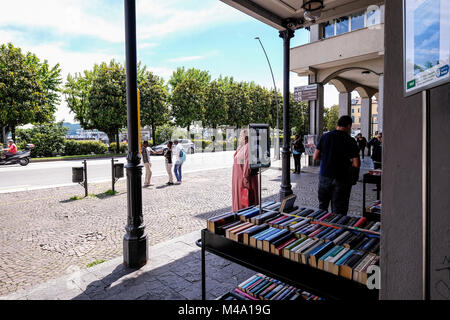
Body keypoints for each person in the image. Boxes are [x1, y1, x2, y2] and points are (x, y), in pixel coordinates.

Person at [313, 115, 361, 215]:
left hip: (324, 176)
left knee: (322, 207)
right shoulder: (350, 140)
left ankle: (321, 228)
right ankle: (337, 229)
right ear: (348, 126)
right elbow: (356, 164)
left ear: (337, 125)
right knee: (339, 211)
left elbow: (316, 156)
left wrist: (328, 159)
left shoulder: (325, 136)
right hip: (342, 178)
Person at [232, 129, 259, 212]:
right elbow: (235, 156)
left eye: (241, 135)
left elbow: (248, 166)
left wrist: (245, 180)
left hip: (244, 180)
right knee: (240, 201)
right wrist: (240, 145)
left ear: (246, 137)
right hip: (238, 179)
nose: (239, 137)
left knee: (245, 203)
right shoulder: (243, 146)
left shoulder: (248, 146)